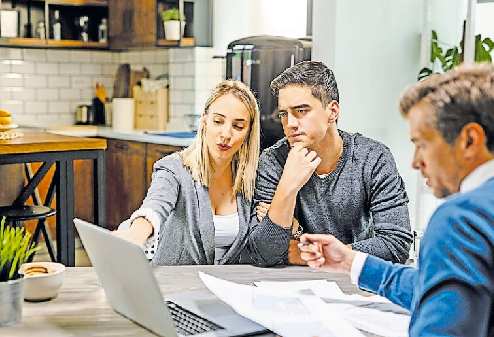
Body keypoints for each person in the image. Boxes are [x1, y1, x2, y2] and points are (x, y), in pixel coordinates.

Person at [300, 63, 494, 336]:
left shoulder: (462, 218)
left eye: (422, 144)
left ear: (469, 140)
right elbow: (437, 289)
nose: (415, 162)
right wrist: (349, 261)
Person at [249, 61, 412, 266]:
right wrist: (287, 188)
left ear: (332, 111)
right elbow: (263, 255)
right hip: (291, 287)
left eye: (301, 111)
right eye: (284, 114)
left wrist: (309, 253)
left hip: (358, 285)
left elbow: (396, 245)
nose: (289, 123)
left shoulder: (373, 158)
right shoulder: (273, 161)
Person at [115, 80, 260, 266]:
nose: (226, 133)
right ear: (204, 121)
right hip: (173, 286)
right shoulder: (174, 169)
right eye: (218, 121)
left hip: (224, 289)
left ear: (248, 132)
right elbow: (156, 204)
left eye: (238, 126)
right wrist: (137, 233)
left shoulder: (250, 179)